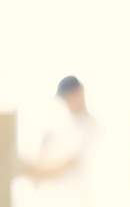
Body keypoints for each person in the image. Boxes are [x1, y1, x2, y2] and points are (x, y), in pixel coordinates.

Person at [17, 76, 99, 207]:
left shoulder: (91, 128)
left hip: (77, 200)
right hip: (53, 199)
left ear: (81, 92)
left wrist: (34, 172)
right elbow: (43, 158)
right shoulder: (61, 126)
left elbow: (67, 164)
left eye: (70, 96)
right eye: (65, 98)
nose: (67, 102)